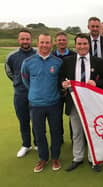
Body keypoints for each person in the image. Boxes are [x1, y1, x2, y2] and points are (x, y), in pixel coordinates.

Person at [60, 33, 103, 172]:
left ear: (89, 45)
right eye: (79, 44)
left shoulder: (98, 61)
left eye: (85, 44)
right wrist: (63, 83)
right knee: (77, 132)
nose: (82, 46)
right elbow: (61, 78)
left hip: (93, 104)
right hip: (74, 103)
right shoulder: (67, 61)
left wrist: (96, 83)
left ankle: (94, 159)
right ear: (75, 45)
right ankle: (77, 158)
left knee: (93, 132)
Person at [21, 33, 63, 172]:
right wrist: (36, 93)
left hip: (54, 104)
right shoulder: (28, 62)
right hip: (36, 104)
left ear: (52, 44)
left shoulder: (58, 62)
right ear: (37, 43)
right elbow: (26, 81)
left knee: (56, 132)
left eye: (47, 42)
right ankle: (43, 158)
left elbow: (60, 82)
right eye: (42, 42)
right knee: (39, 133)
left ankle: (55, 157)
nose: (44, 45)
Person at [5, 28, 37, 158]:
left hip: (35, 94)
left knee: (36, 121)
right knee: (23, 121)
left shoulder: (37, 54)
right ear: (19, 40)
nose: (25, 41)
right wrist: (19, 82)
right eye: (22, 39)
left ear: (31, 40)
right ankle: (26, 145)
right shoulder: (11, 56)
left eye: (27, 39)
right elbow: (9, 73)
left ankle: (38, 143)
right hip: (20, 94)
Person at [52, 31, 76, 143]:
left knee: (73, 116)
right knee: (57, 117)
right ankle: (59, 137)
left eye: (64, 40)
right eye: (59, 40)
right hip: (56, 91)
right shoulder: (51, 56)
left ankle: (74, 138)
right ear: (55, 42)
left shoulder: (73, 55)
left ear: (67, 41)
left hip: (71, 91)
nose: (61, 42)